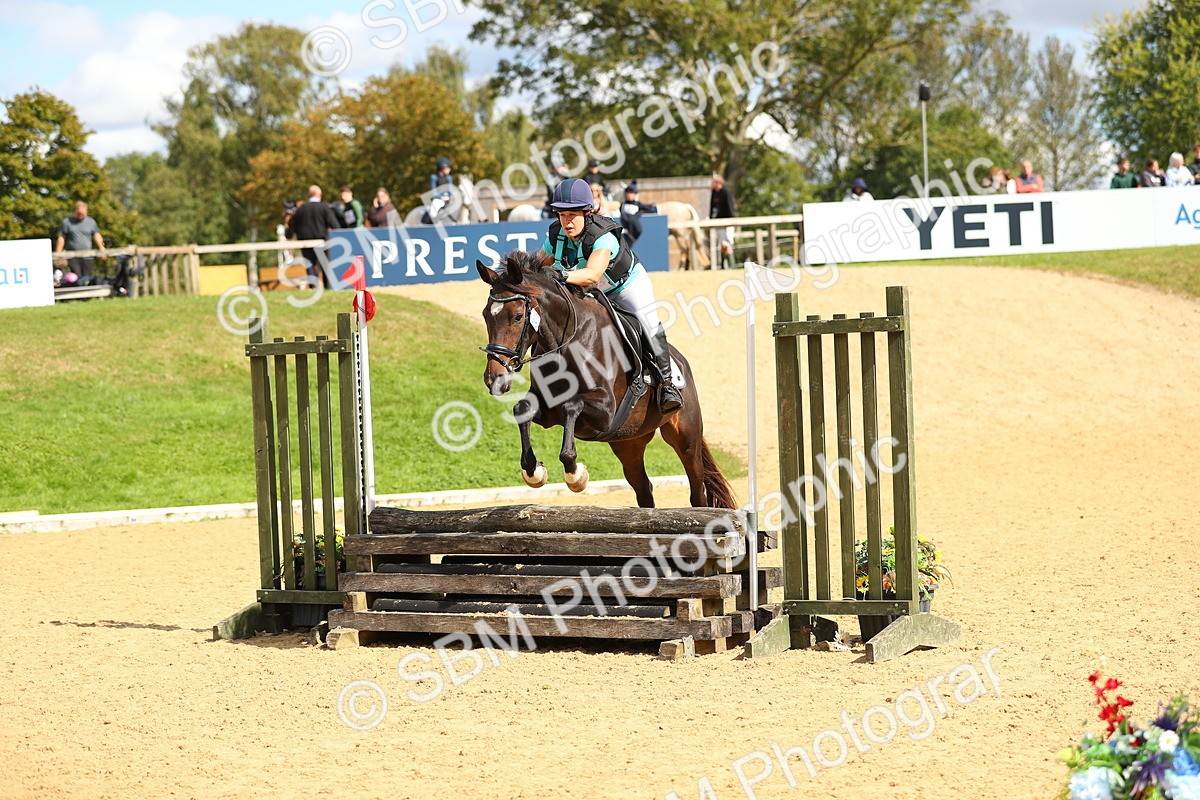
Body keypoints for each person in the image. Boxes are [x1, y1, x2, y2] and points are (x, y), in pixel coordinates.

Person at [541, 178, 684, 413]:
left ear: (587, 213)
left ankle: (668, 385)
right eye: (562, 214)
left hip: (626, 287)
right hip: (593, 292)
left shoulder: (602, 236)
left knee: (647, 322)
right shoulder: (556, 236)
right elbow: (539, 264)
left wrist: (559, 275)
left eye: (572, 214)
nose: (566, 221)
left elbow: (591, 275)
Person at [287, 185, 340, 288]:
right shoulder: (324, 207)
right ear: (319, 194)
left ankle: (313, 287)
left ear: (309, 194)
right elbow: (335, 225)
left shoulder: (301, 209)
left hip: (305, 242)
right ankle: (327, 286)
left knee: (310, 265)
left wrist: (289, 236)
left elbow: (292, 225)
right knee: (325, 265)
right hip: (322, 241)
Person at [54, 201, 106, 278]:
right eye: (79, 213)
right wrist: (58, 254)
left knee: (87, 277)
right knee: (76, 277)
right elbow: (62, 238)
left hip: (88, 256)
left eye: (82, 213)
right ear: (75, 211)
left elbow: (97, 235)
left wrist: (102, 248)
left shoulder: (91, 222)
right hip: (73, 256)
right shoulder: (67, 222)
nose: (81, 215)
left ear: (86, 211)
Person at [710, 173, 737, 269]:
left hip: (727, 222)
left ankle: (732, 266)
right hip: (719, 221)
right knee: (722, 244)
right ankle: (722, 266)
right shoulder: (714, 192)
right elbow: (712, 207)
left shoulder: (726, 192)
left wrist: (730, 221)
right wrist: (711, 219)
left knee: (727, 242)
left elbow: (730, 207)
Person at [619, 180, 657, 246]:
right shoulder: (623, 205)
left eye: (631, 193)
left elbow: (649, 209)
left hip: (632, 233)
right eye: (627, 193)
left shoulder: (637, 204)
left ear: (635, 194)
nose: (629, 195)